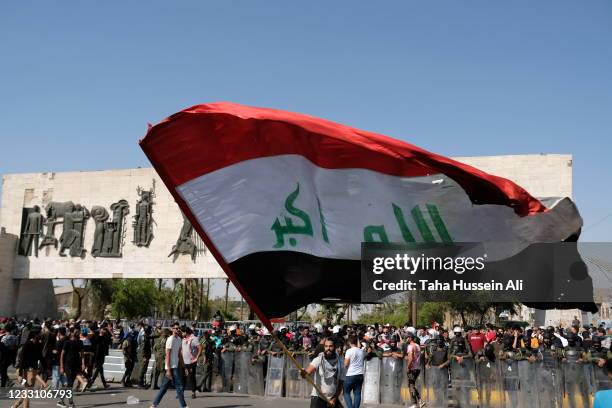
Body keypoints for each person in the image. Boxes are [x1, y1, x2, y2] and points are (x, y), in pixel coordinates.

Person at [150, 322, 188, 408]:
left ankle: (154, 404)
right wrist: (168, 369)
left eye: (178, 328)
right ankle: (184, 406)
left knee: (164, 388)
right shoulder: (170, 340)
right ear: (172, 329)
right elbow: (167, 355)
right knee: (179, 386)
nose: (177, 330)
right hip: (171, 367)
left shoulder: (179, 339)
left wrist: (184, 366)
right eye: (176, 328)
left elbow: (179, 354)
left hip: (176, 366)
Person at [300, 337, 344, 408]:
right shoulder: (318, 360)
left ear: (335, 347)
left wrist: (334, 399)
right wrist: (303, 373)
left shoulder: (340, 362)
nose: (328, 348)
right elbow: (307, 372)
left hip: (332, 398)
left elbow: (341, 383)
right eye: (326, 346)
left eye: (331, 346)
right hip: (318, 397)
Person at [343, 335, 364, 408]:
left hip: (351, 375)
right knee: (357, 394)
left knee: (346, 392)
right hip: (360, 374)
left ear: (349, 342)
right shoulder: (361, 351)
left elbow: (346, 364)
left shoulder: (349, 351)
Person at [405, 332, 425, 408]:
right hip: (417, 368)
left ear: (410, 338)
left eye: (407, 337)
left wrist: (408, 367)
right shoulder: (417, 345)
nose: (406, 339)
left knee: (411, 385)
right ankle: (419, 402)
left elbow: (411, 358)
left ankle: (415, 403)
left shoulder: (410, 346)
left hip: (413, 368)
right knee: (412, 385)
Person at [181, 326, 202, 398]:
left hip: (191, 362)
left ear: (185, 332)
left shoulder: (194, 339)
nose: (181, 333)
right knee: (182, 377)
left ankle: (193, 392)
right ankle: (181, 392)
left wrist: (197, 357)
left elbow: (200, 348)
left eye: (182, 332)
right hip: (184, 362)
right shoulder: (183, 339)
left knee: (191, 377)